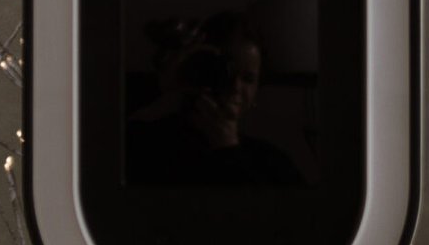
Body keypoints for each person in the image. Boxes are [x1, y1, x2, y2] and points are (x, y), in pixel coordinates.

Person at [126, 11, 305, 187]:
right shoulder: (146, 146)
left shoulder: (274, 165)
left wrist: (227, 147)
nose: (235, 86)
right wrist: (162, 82)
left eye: (248, 79)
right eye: (226, 70)